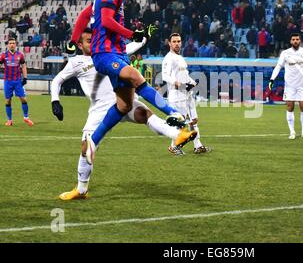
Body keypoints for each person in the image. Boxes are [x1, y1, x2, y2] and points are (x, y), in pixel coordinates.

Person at [54, 29, 196, 200]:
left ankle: (178, 135)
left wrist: (144, 37)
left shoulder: (108, 54)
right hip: (99, 110)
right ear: (79, 44)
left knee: (145, 114)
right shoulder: (76, 62)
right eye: (88, 41)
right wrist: (55, 101)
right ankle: (81, 189)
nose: (92, 43)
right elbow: (58, 80)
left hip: (122, 98)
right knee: (86, 148)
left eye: (94, 40)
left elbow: (131, 46)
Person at [66, 0, 183, 165]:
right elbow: (107, 21)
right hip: (105, 53)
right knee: (136, 76)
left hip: (117, 53)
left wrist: (73, 39)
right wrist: (132, 34)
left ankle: (92, 143)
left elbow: (86, 15)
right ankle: (174, 114)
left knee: (124, 104)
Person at [162, 33, 211, 155]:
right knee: (184, 123)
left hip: (187, 94)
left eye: (178, 41)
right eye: (174, 41)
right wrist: (178, 84)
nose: (177, 43)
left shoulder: (180, 58)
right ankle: (174, 146)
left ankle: (198, 146)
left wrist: (192, 82)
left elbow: (185, 75)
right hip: (177, 96)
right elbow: (165, 76)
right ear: (169, 43)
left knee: (194, 120)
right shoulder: (169, 58)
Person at [268, 33, 303, 140]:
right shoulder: (285, 53)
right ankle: (292, 132)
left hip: (302, 85)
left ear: (300, 40)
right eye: (293, 39)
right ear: (290, 41)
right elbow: (278, 66)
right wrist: (272, 79)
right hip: (290, 85)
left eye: (297, 39)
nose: (295, 41)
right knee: (290, 106)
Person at [0, 37, 34, 126]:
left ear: (16, 44)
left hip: (18, 81)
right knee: (8, 101)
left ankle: (26, 118)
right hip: (8, 81)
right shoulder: (4, 55)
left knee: (23, 99)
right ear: (8, 45)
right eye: (10, 43)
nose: (12, 44)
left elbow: (24, 66)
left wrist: (25, 78)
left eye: (13, 43)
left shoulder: (20, 55)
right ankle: (9, 120)